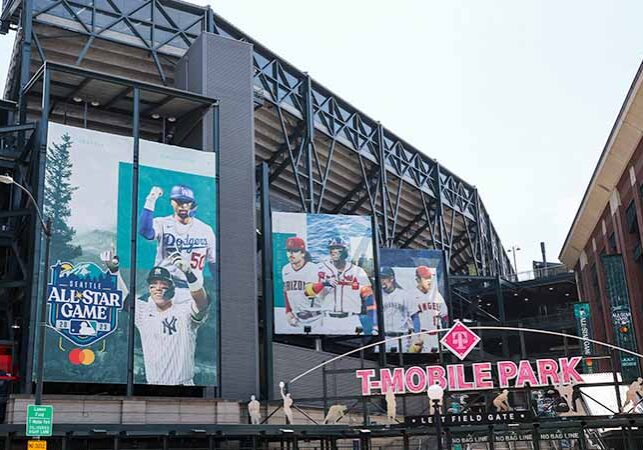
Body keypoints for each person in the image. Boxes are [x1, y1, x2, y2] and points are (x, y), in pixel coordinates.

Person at [100, 249, 209, 385]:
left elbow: (202, 303)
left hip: (183, 389)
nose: (158, 288)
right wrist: (114, 270)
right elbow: (122, 297)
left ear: (172, 289)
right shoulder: (143, 311)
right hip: (153, 388)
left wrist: (189, 274)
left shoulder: (184, 311)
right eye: (153, 285)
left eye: (163, 285)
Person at [139, 184, 216, 304]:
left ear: (192, 204)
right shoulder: (162, 223)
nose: (183, 205)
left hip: (192, 290)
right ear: (172, 202)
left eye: (187, 202)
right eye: (179, 201)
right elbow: (145, 232)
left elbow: (214, 264)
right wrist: (151, 199)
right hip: (165, 287)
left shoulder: (206, 230)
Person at [315, 237, 376, 334]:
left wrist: (371, 320)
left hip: (351, 319)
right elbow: (307, 291)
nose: (334, 251)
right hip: (327, 319)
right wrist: (323, 283)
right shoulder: (320, 268)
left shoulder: (357, 271)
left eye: (338, 249)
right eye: (331, 249)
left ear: (345, 251)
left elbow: (368, 297)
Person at [280, 237, 322, 328]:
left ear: (303, 253)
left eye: (294, 251)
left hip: (316, 319)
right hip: (296, 319)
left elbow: (312, 291)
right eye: (288, 251)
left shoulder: (313, 268)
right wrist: (288, 310)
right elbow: (286, 291)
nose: (291, 254)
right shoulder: (285, 269)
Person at [408, 266, 448, 353]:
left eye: (430, 278)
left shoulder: (436, 295)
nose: (429, 281)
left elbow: (445, 315)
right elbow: (412, 317)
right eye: (425, 278)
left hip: (436, 336)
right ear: (418, 280)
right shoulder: (411, 295)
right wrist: (417, 335)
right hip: (419, 335)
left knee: (436, 360)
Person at [380, 266, 413, 351]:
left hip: (402, 338)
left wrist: (415, 335)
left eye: (384, 278)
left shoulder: (404, 295)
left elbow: (414, 316)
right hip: (382, 339)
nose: (381, 281)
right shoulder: (377, 295)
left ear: (391, 279)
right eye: (380, 278)